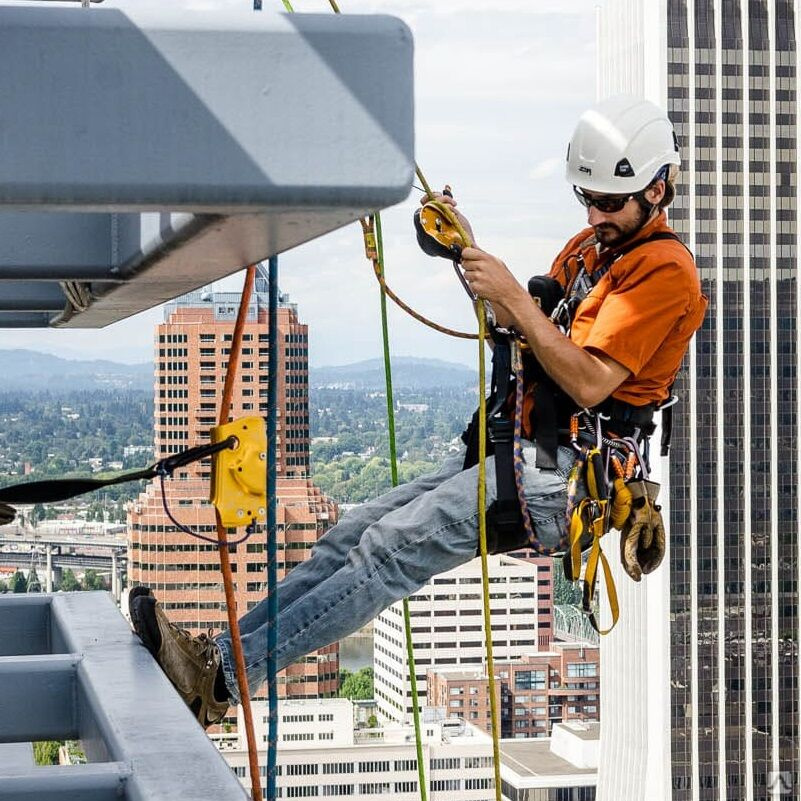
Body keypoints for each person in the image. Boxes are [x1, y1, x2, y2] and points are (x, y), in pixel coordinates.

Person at [129, 94, 707, 728]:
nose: (596, 214)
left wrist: (514, 293)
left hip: (560, 476)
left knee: (386, 550)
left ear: (659, 189)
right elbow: (524, 331)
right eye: (587, 199)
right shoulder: (590, 251)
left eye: (610, 202)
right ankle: (217, 656)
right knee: (346, 537)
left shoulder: (664, 272)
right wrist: (467, 256)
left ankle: (219, 683)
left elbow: (592, 380)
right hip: (518, 447)